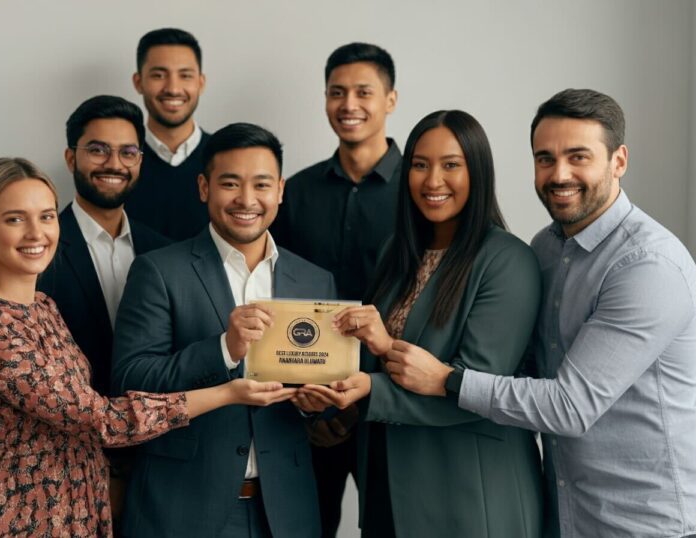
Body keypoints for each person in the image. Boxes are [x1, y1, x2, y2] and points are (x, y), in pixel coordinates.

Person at [0, 157, 298, 537]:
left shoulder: (42, 307)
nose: (36, 233)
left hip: (73, 514)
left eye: (46, 216)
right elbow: (101, 421)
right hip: (15, 520)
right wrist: (226, 393)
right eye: (15, 219)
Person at [413, 89, 696, 537]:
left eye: (578, 157)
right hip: (565, 515)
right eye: (545, 158)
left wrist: (447, 379)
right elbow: (526, 368)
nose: (559, 174)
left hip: (644, 524)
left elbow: (570, 407)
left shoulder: (648, 265)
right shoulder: (544, 248)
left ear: (618, 161)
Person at [299, 110, 544, 537]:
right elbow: (376, 366)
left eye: (451, 165)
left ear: (478, 172)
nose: (433, 181)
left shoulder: (508, 262)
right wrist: (343, 409)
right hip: (387, 485)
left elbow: (476, 385)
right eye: (419, 164)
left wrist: (373, 377)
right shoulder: (397, 252)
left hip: (471, 493)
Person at [112, 123, 335, 537]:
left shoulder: (316, 282)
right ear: (204, 187)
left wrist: (316, 402)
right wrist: (222, 349)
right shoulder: (159, 271)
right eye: (230, 183)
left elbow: (328, 403)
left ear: (281, 190)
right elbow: (130, 381)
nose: (246, 200)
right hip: (180, 509)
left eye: (262, 184)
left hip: (285, 512)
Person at [271, 42, 401, 536]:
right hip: (305, 404)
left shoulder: (419, 192)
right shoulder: (295, 191)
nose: (349, 105)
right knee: (305, 527)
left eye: (364, 92)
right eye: (337, 92)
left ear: (390, 99)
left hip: (391, 400)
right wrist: (309, 397)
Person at [37, 94, 170, 530]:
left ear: (140, 161)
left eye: (127, 151)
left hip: (158, 465)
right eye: (98, 149)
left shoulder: (166, 251)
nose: (114, 162)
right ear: (71, 157)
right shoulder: (38, 252)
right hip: (67, 471)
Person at [124, 28, 210, 241]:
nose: (173, 88)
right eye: (158, 75)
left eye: (185, 75)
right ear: (138, 82)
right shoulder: (118, 163)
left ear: (200, 83)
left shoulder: (224, 158)